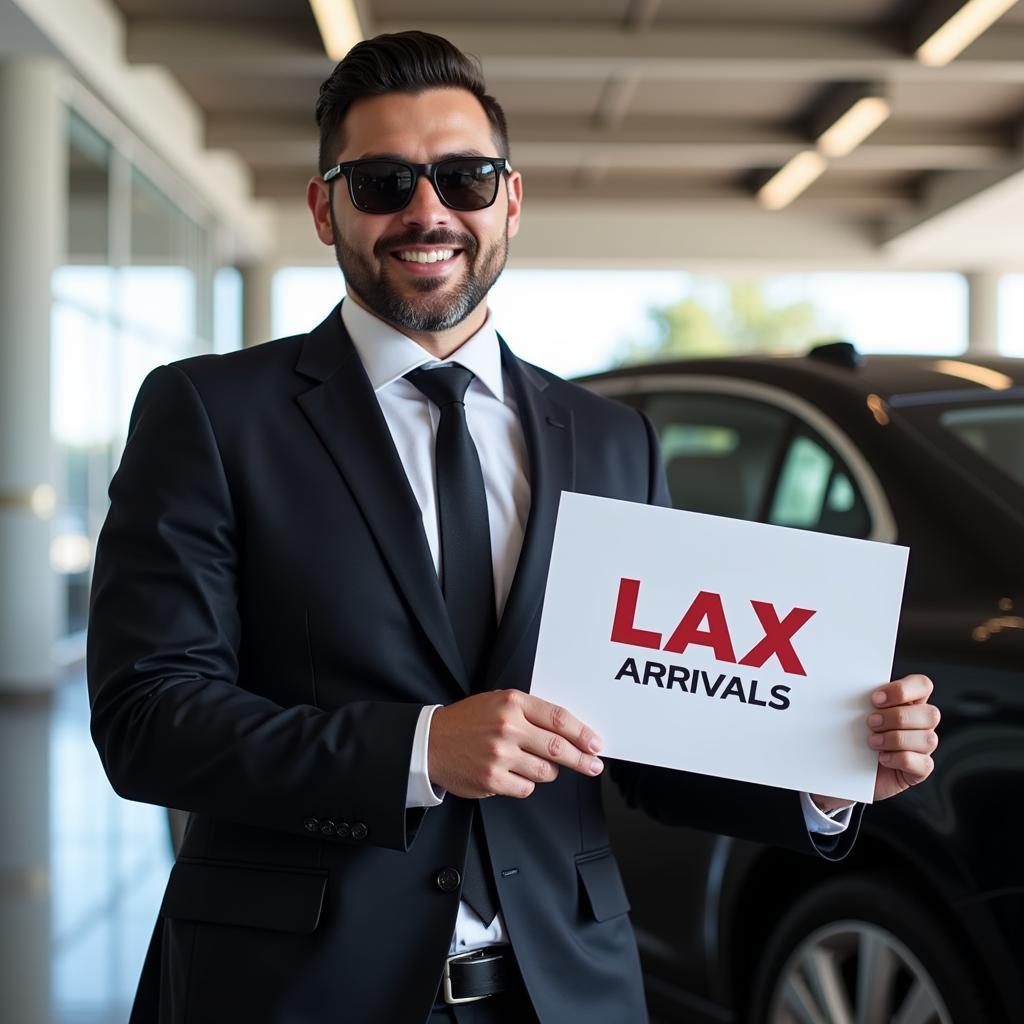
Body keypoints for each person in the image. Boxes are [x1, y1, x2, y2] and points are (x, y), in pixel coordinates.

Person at [87, 30, 941, 1024]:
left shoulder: (613, 440)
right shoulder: (210, 413)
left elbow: (645, 736)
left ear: (511, 200)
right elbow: (148, 718)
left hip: (564, 990)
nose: (427, 212)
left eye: (463, 177)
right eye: (381, 182)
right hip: (297, 989)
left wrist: (825, 769)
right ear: (325, 207)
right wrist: (417, 749)